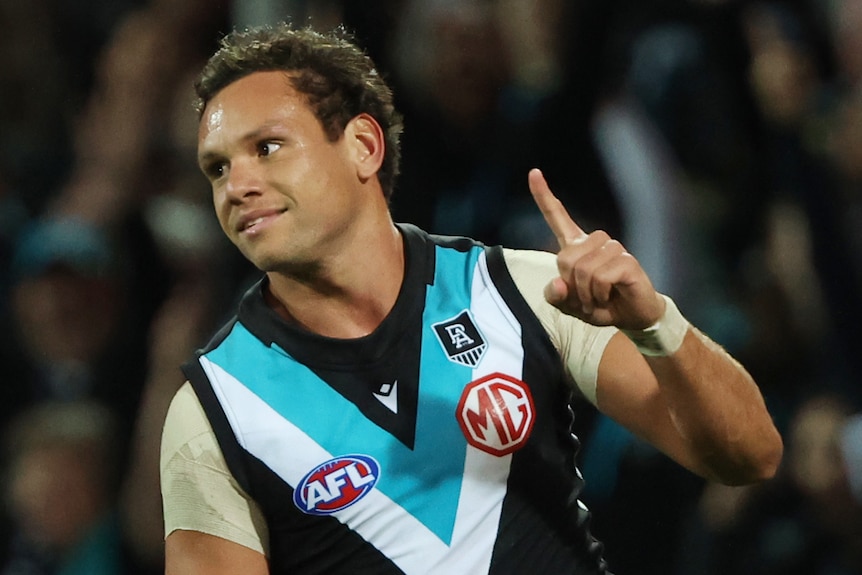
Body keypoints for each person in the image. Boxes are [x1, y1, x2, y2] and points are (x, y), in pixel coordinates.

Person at [159, 22, 783, 574]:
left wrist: (656, 325)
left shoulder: (521, 292)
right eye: (217, 169)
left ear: (363, 146)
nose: (237, 185)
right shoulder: (216, 409)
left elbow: (750, 456)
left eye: (266, 148)